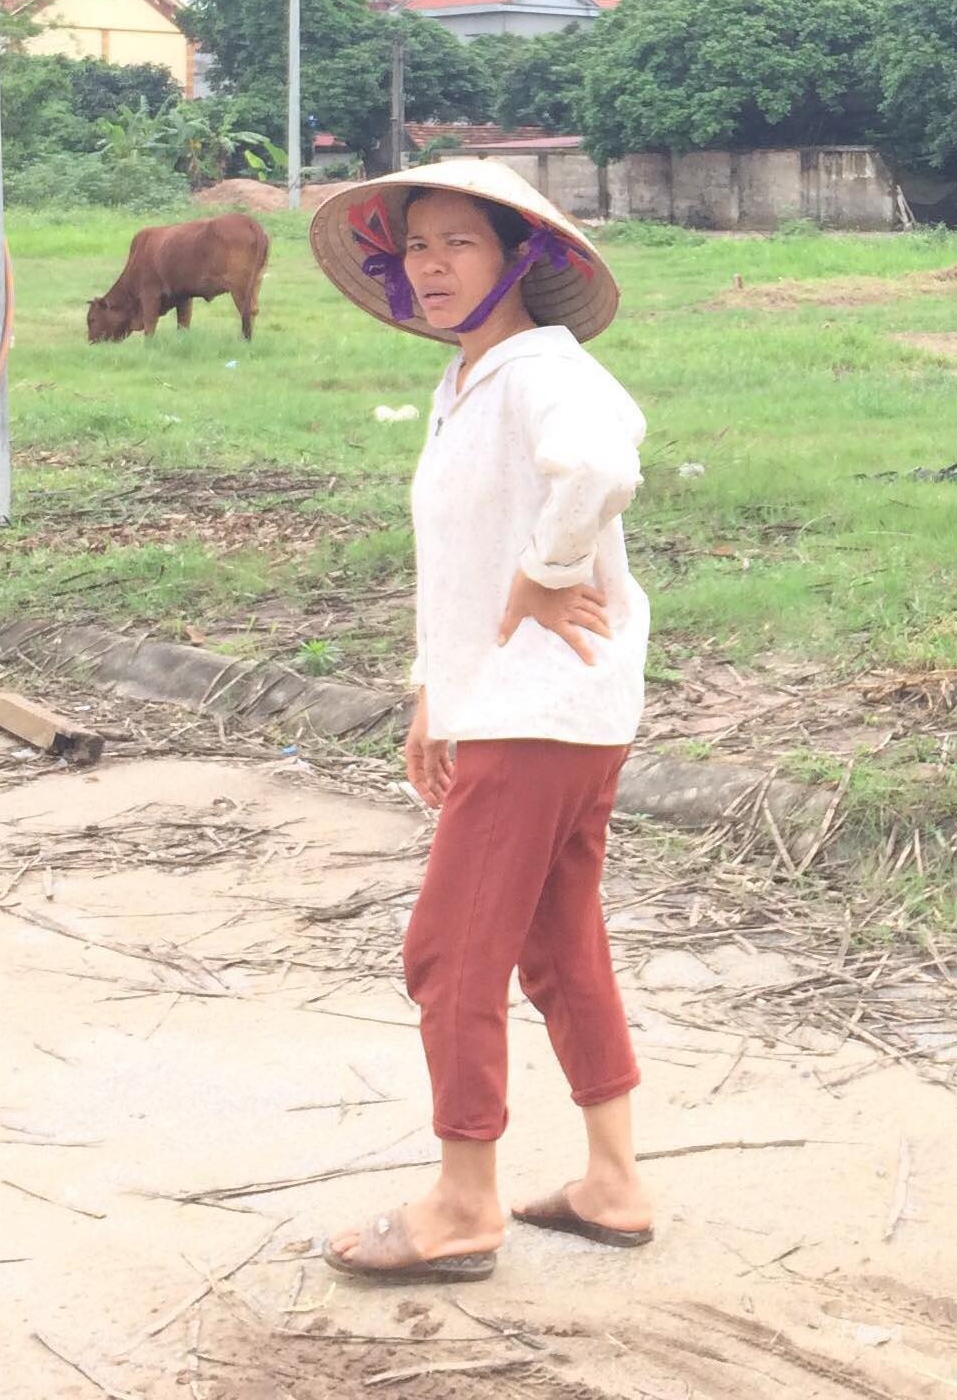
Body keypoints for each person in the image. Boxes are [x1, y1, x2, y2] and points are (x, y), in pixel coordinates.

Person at [306, 159, 655, 1284]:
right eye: (416, 245)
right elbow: (458, 563)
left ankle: (464, 1202)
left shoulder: (541, 369)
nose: (432, 264)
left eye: (460, 241)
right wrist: (433, 693)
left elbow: (601, 460)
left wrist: (548, 571)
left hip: (539, 712)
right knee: (557, 941)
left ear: (520, 258)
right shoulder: (467, 381)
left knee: (449, 950)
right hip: (535, 706)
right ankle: (612, 1183)